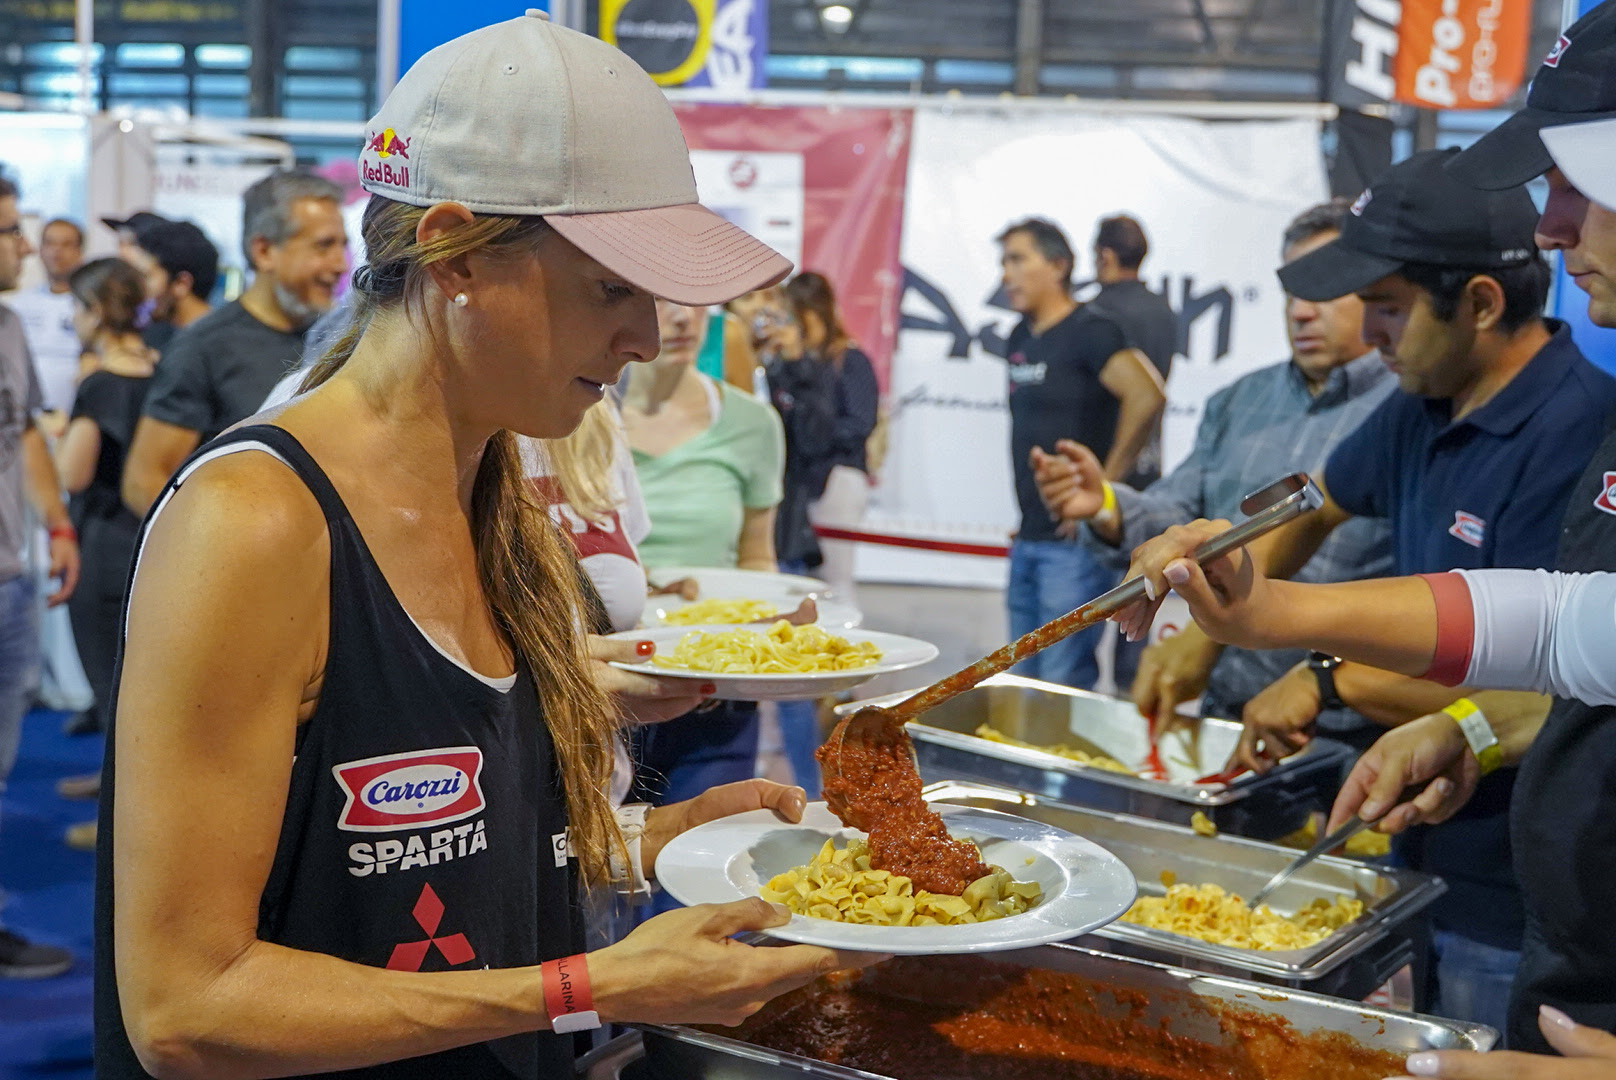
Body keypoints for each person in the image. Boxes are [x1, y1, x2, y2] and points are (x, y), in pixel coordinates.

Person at [95, 15, 876, 1080]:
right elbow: (186, 1007)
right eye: (610, 286)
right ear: (455, 253)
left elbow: (431, 858)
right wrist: (595, 986)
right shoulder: (257, 524)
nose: (646, 336)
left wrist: (652, 839)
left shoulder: (497, 495)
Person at [1157, 148, 1616, 1032]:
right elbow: (1322, 503)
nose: (1371, 333)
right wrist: (1222, 624)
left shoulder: (1574, 431)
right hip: (1427, 815)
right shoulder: (1422, 402)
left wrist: (1323, 671)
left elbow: (1547, 666)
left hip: (1514, 879)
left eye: (1391, 308)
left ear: (1480, 303)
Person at [1033, 198, 1394, 759]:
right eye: (1292, 291)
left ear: (1377, 290)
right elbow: (1179, 512)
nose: (1301, 311)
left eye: (1324, 290)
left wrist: (1326, 677)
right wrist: (1105, 504)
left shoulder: (1408, 412)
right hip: (1226, 715)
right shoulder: (1238, 402)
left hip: (1356, 731)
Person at [621, 298, 786, 818]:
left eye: (698, 301)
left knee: (699, 877)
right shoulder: (572, 420)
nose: (683, 317)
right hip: (607, 693)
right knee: (593, 885)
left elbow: (758, 559)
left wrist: (771, 634)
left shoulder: (752, 423)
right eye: (662, 297)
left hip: (717, 692)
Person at [997, 217, 1166, 690]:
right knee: (1019, 684)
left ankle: (1058, 769)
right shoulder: (1019, 338)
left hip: (1073, 549)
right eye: (1003, 262)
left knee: (1059, 686)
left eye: (1017, 259)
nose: (1006, 274)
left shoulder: (1092, 330)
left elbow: (1147, 394)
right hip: (1029, 537)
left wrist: (1104, 490)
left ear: (1059, 265)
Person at [121, 169, 346, 517]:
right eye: (323, 246)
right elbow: (145, 480)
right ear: (264, 250)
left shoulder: (343, 338)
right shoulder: (204, 347)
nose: (340, 264)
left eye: (342, 246)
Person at [0, 170, 80, 979]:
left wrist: (56, 524)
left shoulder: (13, 329)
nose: (24, 246)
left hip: (11, 584)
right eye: (10, 233)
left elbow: (24, 435)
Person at [51, 259, 155, 841]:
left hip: (102, 545)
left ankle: (117, 823)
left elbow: (73, 472)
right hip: (146, 539)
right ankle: (109, 788)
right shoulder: (162, 367)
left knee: (111, 690)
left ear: (94, 310)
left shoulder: (99, 382)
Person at [766, 271, 880, 601]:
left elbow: (860, 422)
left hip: (837, 478)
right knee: (793, 583)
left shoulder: (849, 360)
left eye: (800, 317)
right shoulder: (786, 363)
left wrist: (818, 436)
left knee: (835, 579)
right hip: (795, 483)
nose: (796, 328)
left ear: (818, 314)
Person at [1085, 214, 1179, 489]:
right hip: (1148, 462)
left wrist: (1103, 484)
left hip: (1102, 468)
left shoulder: (1095, 315)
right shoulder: (1165, 312)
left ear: (1105, 255)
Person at [7, 217, 84, 419]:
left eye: (66, 244)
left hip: (77, 418)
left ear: (80, 252)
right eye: (50, 243)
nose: (57, 252)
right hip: (26, 418)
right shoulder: (18, 305)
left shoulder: (90, 307)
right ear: (40, 250)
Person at [125, 218, 218, 340]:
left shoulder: (216, 343)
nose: (139, 287)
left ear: (182, 284)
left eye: (147, 277)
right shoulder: (169, 337)